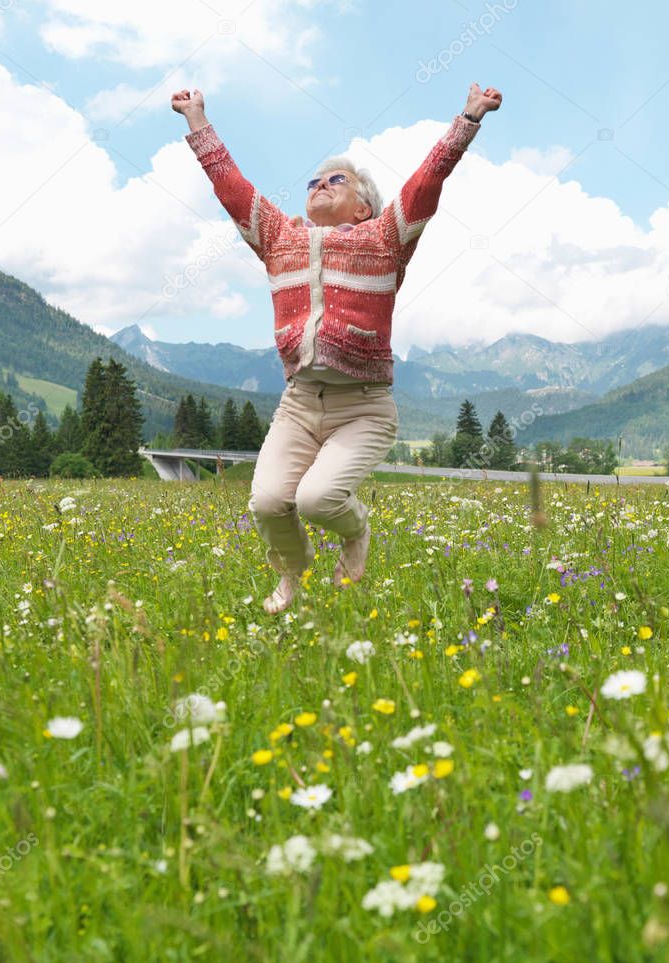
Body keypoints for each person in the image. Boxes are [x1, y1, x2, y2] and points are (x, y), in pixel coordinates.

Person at [172, 82, 503, 613]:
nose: (321, 185)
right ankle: (292, 579)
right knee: (268, 501)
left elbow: (426, 184)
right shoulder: (280, 237)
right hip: (299, 405)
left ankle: (357, 531)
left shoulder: (384, 240)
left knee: (318, 499)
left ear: (362, 207)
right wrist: (197, 120)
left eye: (337, 180)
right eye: (314, 181)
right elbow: (232, 189)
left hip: (363, 408)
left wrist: (468, 118)